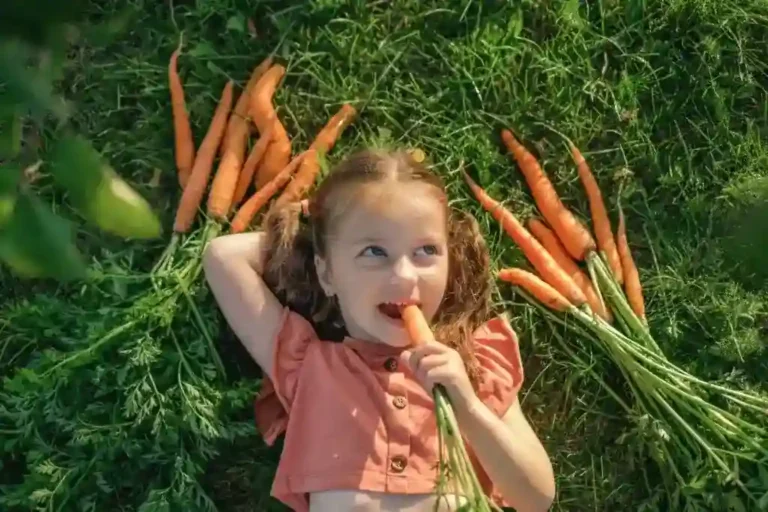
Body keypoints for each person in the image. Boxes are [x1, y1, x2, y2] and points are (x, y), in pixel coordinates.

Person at [203, 149, 555, 512]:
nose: (404, 275)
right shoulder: (310, 368)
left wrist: (467, 406)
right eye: (374, 252)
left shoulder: (473, 364)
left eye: (426, 250)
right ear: (326, 273)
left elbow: (537, 499)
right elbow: (223, 257)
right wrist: (318, 225)